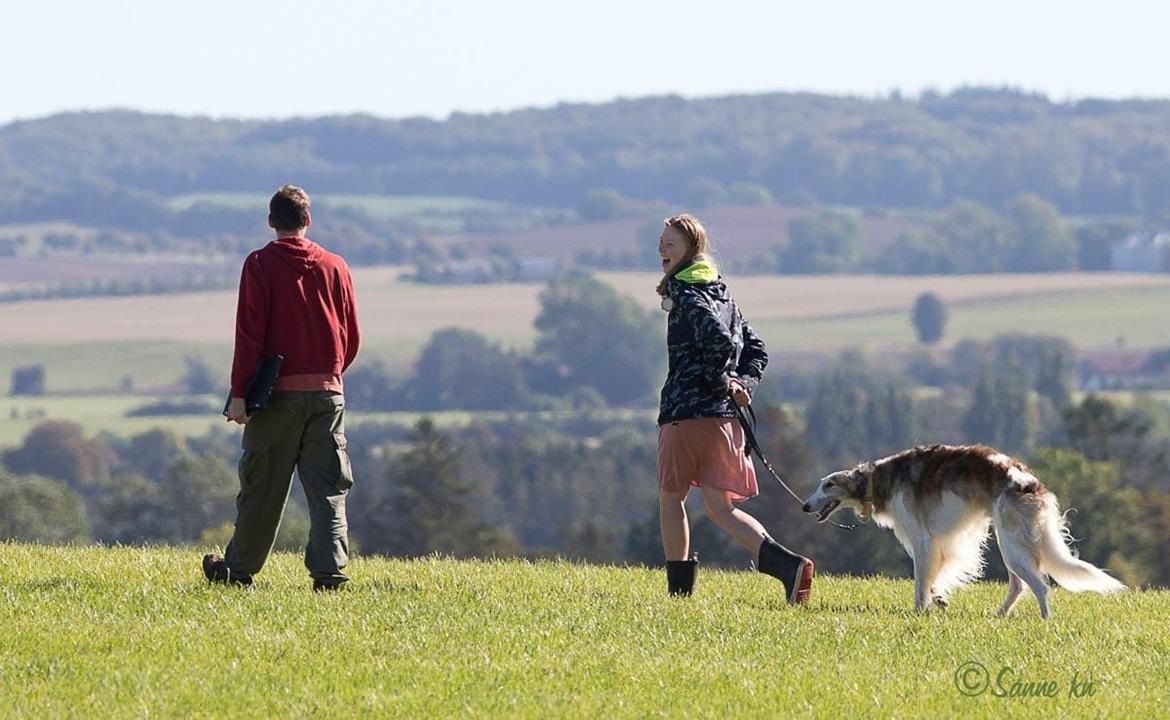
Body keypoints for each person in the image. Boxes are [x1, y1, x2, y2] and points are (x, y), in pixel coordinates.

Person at [203, 184, 360, 591]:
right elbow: (352, 336)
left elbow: (249, 335)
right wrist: (329, 375)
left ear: (271, 222)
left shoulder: (259, 265)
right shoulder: (337, 267)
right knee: (328, 491)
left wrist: (240, 393)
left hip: (275, 398)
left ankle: (238, 572)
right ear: (308, 220)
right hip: (329, 393)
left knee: (262, 488)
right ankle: (330, 575)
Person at [655, 213, 813, 603]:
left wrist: (718, 382)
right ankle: (789, 567)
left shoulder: (688, 296)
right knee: (720, 508)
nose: (661, 249)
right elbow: (755, 350)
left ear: (690, 251)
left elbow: (721, 343)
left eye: (669, 244)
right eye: (660, 242)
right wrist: (740, 385)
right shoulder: (722, 294)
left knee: (671, 497)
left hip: (686, 415)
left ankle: (678, 596)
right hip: (725, 421)